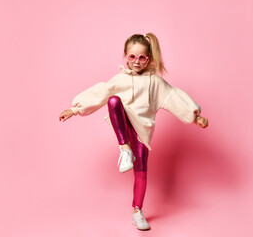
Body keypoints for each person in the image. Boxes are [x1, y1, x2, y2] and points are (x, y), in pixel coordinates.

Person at [59, 33, 209, 231]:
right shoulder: (119, 80)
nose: (136, 62)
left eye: (141, 57)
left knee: (141, 173)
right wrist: (75, 110)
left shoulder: (155, 83)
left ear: (148, 59)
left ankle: (138, 211)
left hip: (141, 131)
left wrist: (195, 117)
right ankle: (124, 149)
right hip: (123, 124)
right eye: (132, 57)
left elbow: (173, 98)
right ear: (125, 56)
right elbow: (101, 93)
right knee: (113, 100)